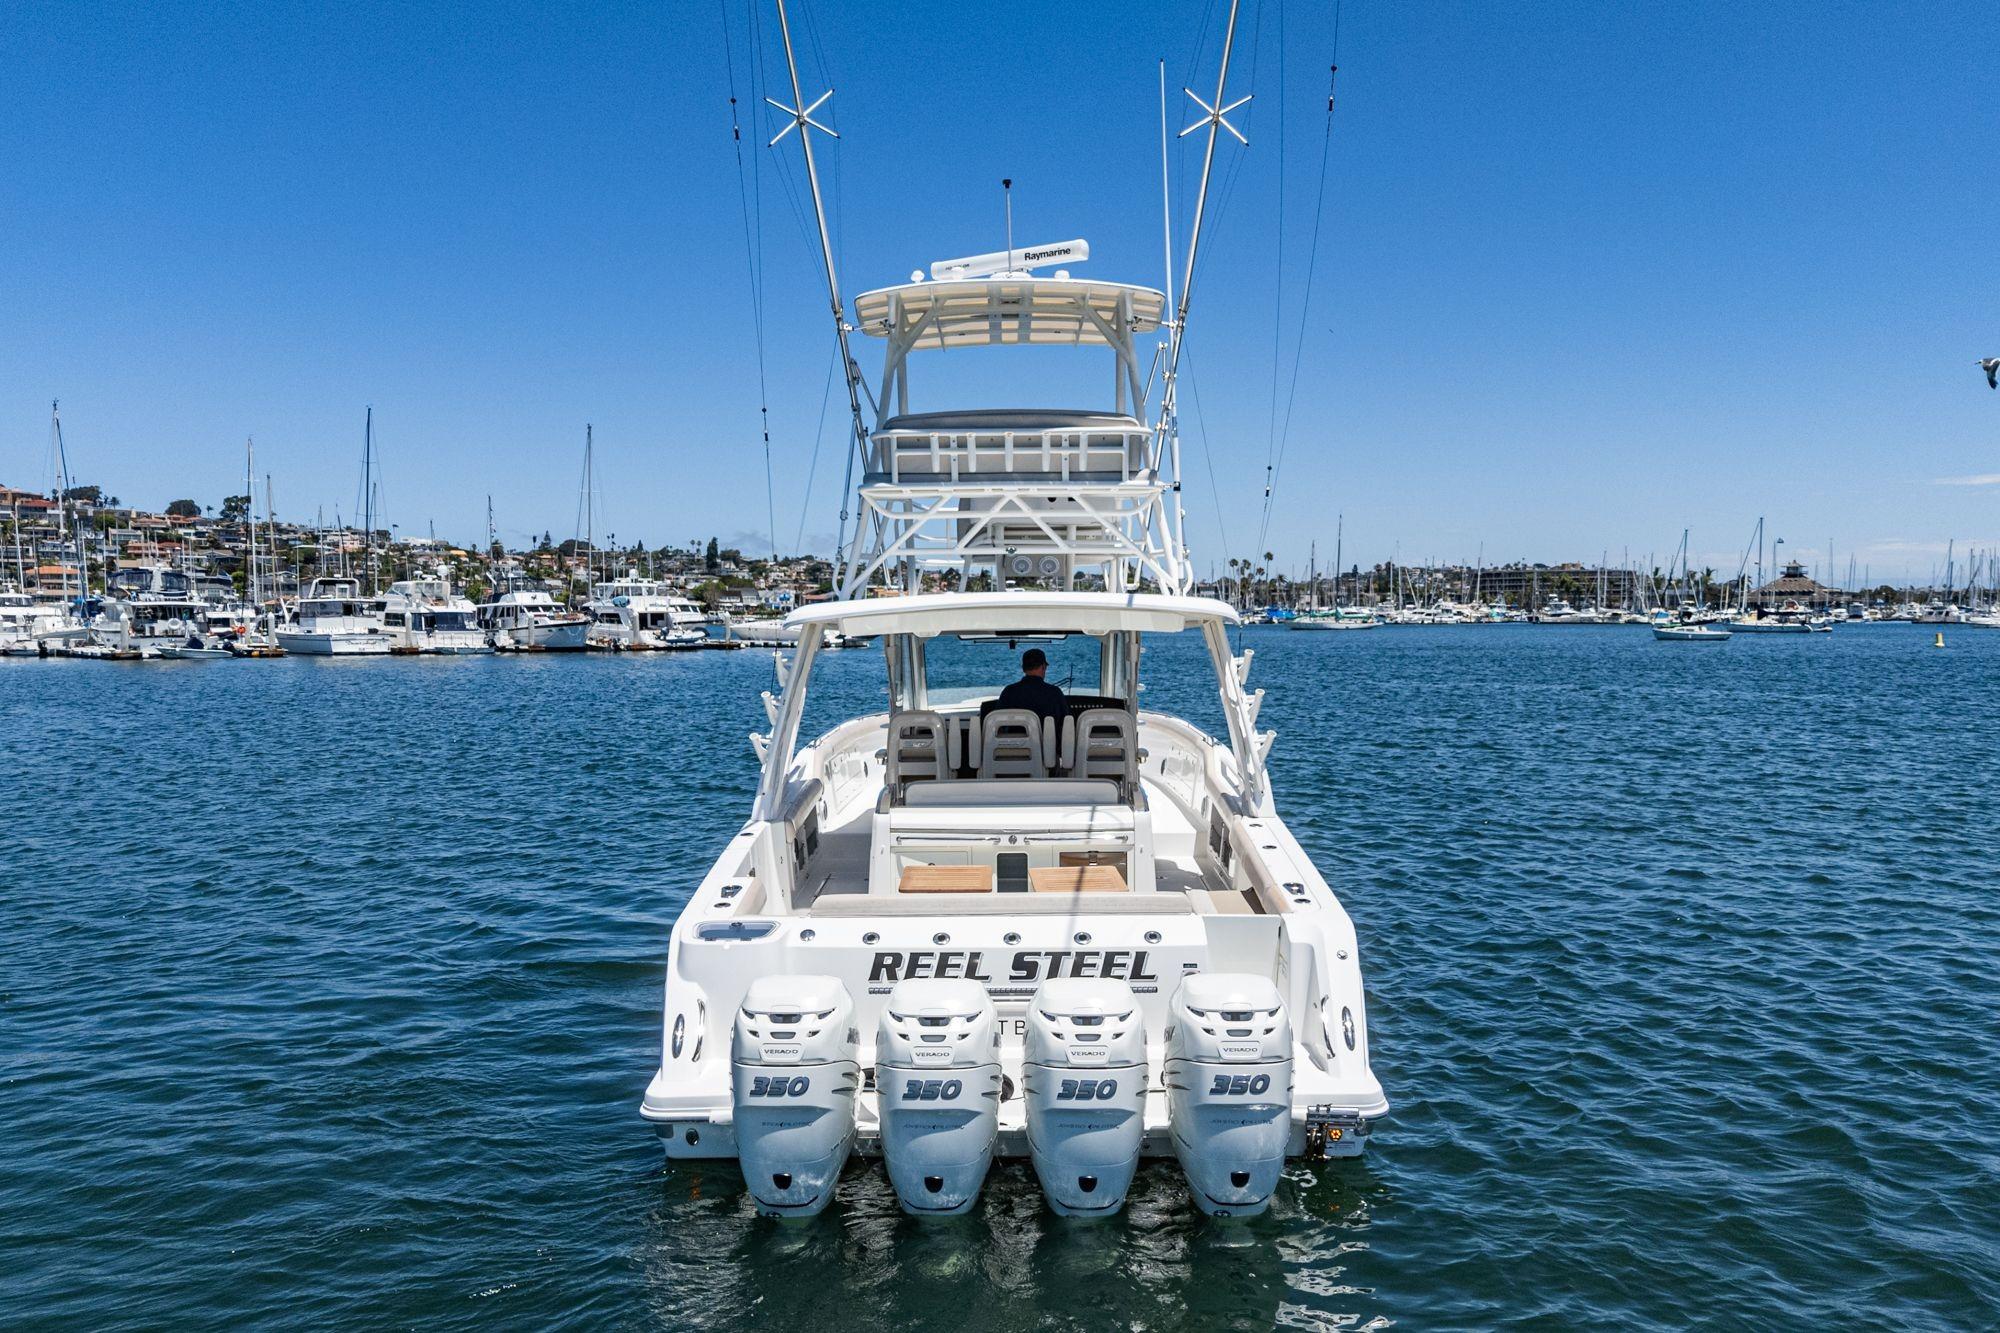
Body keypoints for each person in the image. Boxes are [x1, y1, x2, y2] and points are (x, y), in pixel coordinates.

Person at [998, 647, 1067, 727]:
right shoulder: (1055, 693)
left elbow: (998, 721)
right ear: (1043, 667)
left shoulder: (1009, 691)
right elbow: (1066, 722)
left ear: (1023, 668)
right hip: (1047, 735)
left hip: (1015, 735)